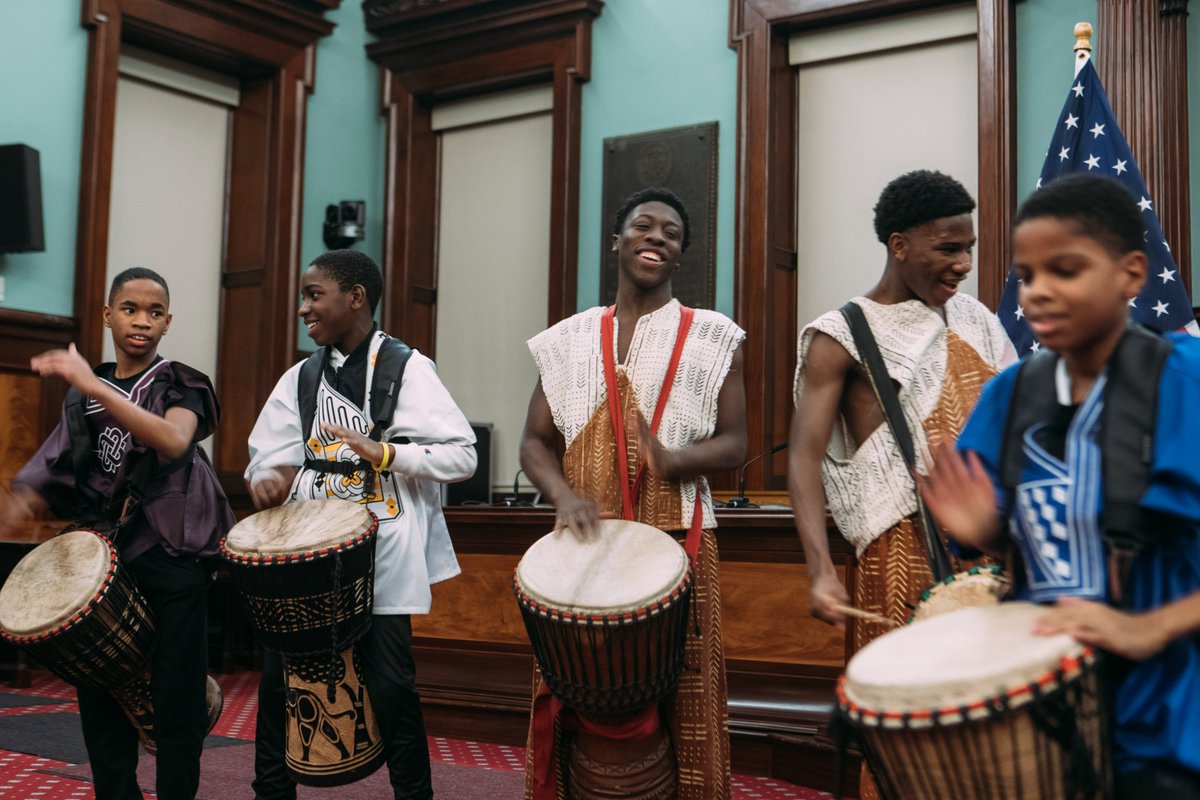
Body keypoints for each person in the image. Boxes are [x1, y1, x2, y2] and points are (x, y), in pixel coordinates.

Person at [919, 173, 1200, 799]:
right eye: (1027, 276)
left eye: (1065, 271)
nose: (1038, 293)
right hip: (1043, 711)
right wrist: (986, 530)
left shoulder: (1185, 380)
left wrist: (1151, 627)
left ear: (1131, 273)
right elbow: (1035, 542)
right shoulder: (1010, 395)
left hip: (1171, 718)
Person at [518, 187, 746, 800]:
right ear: (617, 241)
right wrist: (564, 495)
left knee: (687, 699)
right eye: (643, 227)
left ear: (681, 255)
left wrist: (675, 459)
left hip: (678, 541)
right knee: (573, 691)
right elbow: (534, 443)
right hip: (582, 548)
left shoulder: (713, 337)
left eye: (671, 234)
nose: (657, 238)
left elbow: (736, 443)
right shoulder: (565, 341)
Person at [244, 248, 476, 800]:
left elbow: (462, 456)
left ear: (356, 298)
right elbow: (264, 455)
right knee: (280, 682)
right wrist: (267, 478)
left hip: (384, 549)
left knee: (393, 685)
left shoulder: (407, 367)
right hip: (306, 555)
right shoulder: (300, 377)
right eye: (303, 296)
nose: (303, 308)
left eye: (314, 295)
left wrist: (387, 454)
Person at [1, 267, 234, 800]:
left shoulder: (180, 381)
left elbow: (174, 442)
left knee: (177, 704)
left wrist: (94, 387)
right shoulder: (83, 398)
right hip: (106, 562)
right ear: (109, 315)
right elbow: (48, 472)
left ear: (167, 323)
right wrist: (19, 502)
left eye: (155, 313)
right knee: (102, 701)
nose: (142, 322)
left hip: (172, 555)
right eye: (130, 309)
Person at [788, 169, 1015, 649]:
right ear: (899, 245)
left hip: (995, 545)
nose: (965, 264)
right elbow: (803, 458)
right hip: (900, 551)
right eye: (949, 249)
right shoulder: (841, 335)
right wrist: (820, 571)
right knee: (906, 711)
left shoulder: (978, 319)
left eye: (969, 247)